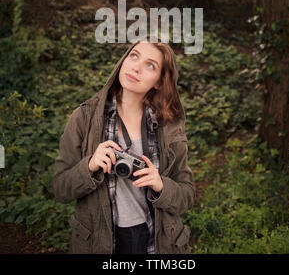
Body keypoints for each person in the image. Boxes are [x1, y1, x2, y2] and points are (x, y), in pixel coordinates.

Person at [52, 34, 195, 254]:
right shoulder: (84, 118)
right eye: (134, 56)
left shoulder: (168, 127)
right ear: (123, 60)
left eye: (150, 65)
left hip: (156, 241)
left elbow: (187, 195)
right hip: (99, 242)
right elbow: (60, 188)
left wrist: (161, 186)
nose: (136, 67)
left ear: (158, 81)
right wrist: (89, 166)